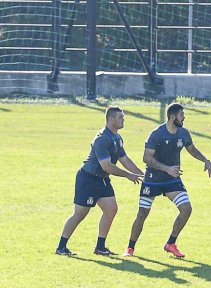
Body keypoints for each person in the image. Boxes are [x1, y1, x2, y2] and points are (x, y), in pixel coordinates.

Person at [125, 103, 211, 258]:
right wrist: (167, 169)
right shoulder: (157, 134)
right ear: (173, 117)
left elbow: (191, 149)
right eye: (181, 115)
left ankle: (170, 243)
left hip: (172, 180)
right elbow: (146, 157)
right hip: (152, 180)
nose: (184, 117)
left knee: (186, 209)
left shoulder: (183, 133)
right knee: (143, 213)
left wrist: (206, 160)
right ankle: (130, 248)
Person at [57, 106, 143, 257]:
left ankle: (100, 247)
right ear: (111, 119)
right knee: (80, 214)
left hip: (102, 179)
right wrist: (128, 175)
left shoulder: (117, 137)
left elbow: (125, 160)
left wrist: (142, 174)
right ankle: (61, 247)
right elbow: (107, 166)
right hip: (88, 179)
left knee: (111, 209)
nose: (123, 120)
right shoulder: (102, 139)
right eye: (120, 117)